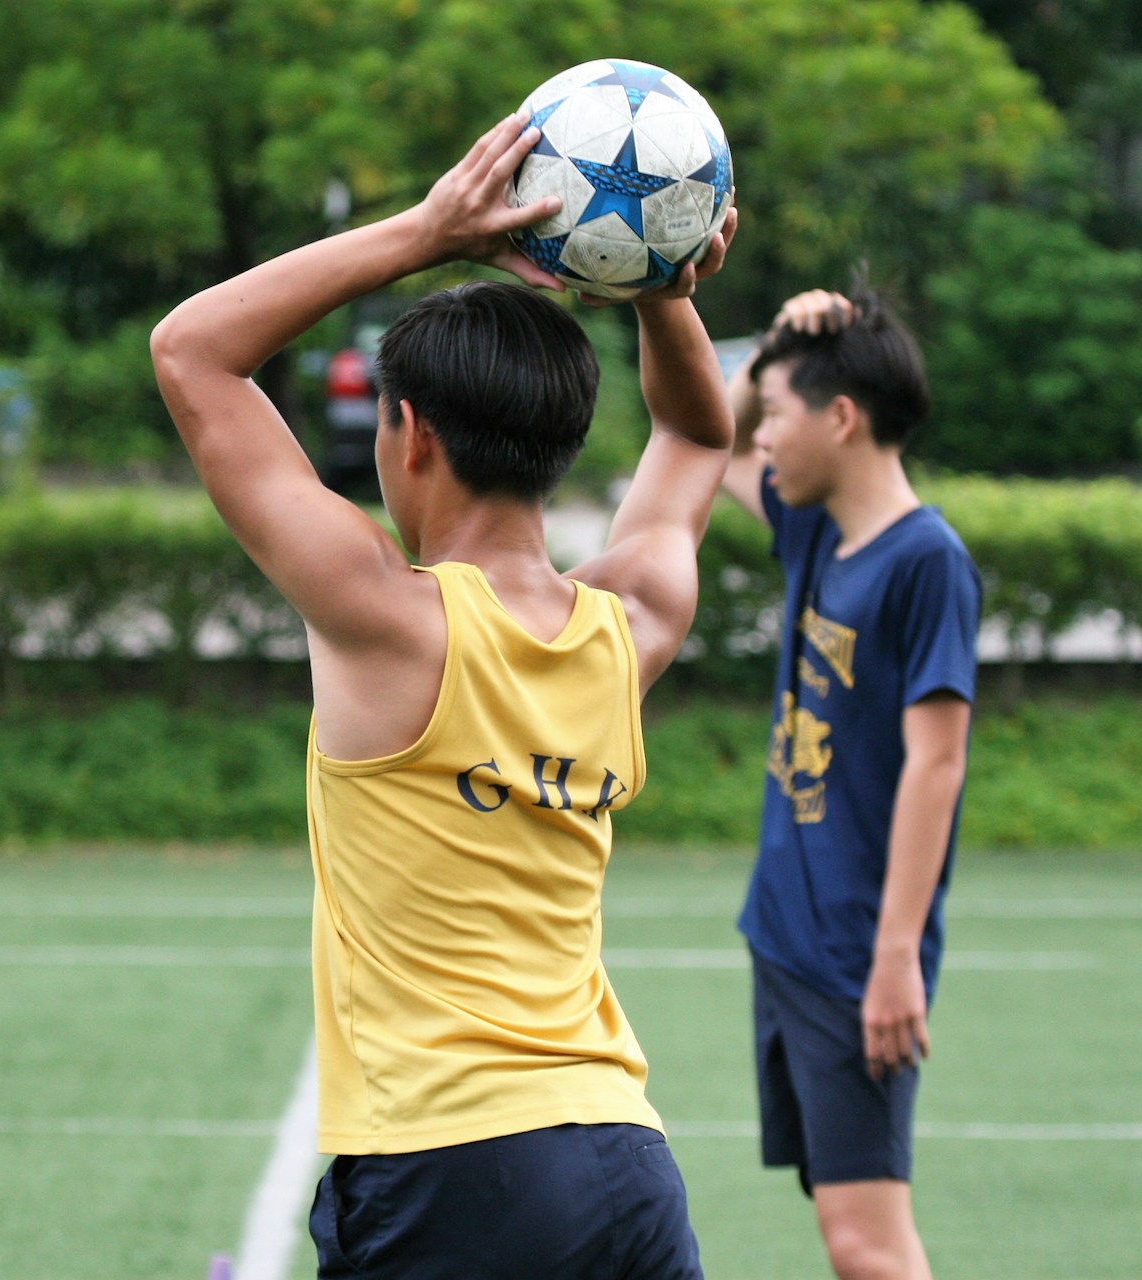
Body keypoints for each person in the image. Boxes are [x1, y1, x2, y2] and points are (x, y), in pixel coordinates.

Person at [152, 112, 738, 1280]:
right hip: (623, 1158)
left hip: (446, 1166)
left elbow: (192, 351)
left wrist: (425, 233)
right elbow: (694, 429)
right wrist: (659, 280)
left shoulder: (385, 616)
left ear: (408, 433)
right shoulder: (629, 629)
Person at [717, 287, 981, 1280]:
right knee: (842, 1223)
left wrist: (894, 958)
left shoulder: (927, 562)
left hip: (853, 952)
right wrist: (779, 345)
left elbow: (937, 761)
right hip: (786, 930)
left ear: (842, 417)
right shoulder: (817, 529)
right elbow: (713, 433)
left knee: (868, 1243)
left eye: (783, 409)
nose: (766, 432)